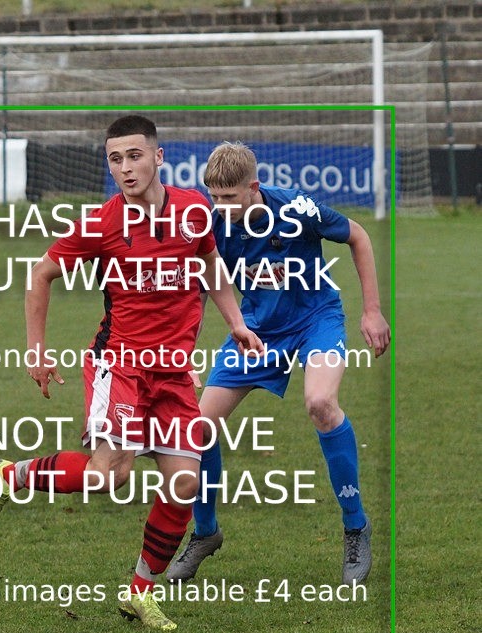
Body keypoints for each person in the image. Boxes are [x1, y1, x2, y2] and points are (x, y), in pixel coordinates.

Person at [0, 116, 262, 630]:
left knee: (183, 484)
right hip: (120, 365)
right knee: (110, 474)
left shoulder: (195, 210)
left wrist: (235, 322)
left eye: (133, 156)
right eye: (114, 159)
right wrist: (36, 351)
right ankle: (4, 476)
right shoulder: (103, 223)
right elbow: (40, 273)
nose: (125, 168)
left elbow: (211, 264)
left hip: (172, 373)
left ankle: (139, 593)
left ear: (159, 156)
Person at [166, 141, 391, 586]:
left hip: (315, 319)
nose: (220, 206)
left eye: (229, 197)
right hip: (257, 328)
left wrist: (371, 310)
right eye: (214, 196)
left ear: (253, 188)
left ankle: (355, 525)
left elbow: (359, 236)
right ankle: (206, 533)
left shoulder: (296, 208)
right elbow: (198, 286)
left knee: (321, 403)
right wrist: (182, 353)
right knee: (197, 428)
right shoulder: (210, 224)